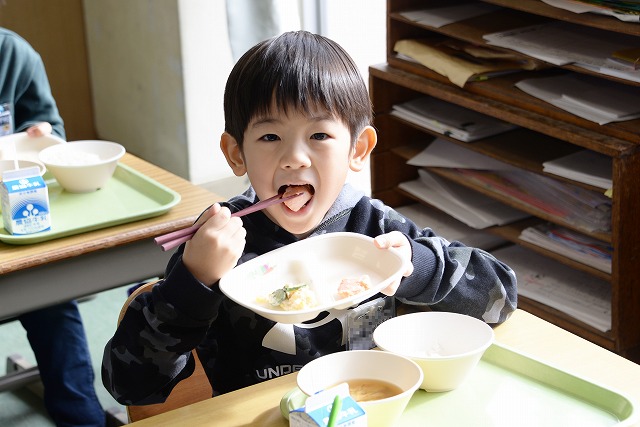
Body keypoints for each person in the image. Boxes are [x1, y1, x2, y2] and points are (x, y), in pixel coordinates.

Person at [102, 31, 517, 404]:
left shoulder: (378, 230)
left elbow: (498, 300)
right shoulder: (217, 245)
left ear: (358, 149)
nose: (294, 159)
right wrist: (192, 281)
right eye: (269, 137)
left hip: (369, 409)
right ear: (235, 153)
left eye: (319, 135)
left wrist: (416, 265)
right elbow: (130, 385)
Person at [1, 27, 106, 426]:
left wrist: (42, 137)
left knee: (50, 297)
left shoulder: (13, 53)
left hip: (16, 221)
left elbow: (51, 133)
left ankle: (80, 416)